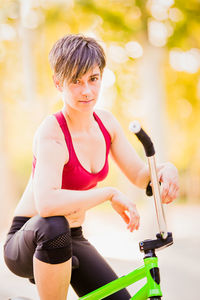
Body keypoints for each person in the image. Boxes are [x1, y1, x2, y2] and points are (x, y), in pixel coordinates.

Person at [3, 34, 179, 300]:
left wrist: (167, 170)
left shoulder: (107, 124)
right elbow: (48, 204)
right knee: (54, 224)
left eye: (93, 79)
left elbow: (143, 177)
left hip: (72, 238)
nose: (87, 90)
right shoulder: (52, 132)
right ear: (58, 82)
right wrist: (108, 194)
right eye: (76, 81)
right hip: (28, 240)